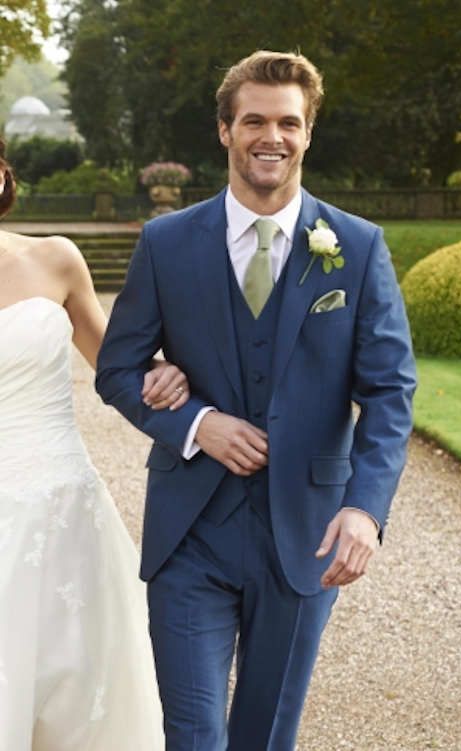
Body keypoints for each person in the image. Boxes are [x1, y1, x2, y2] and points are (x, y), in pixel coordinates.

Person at [96, 50, 417, 751]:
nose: (271, 136)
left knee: (265, 736)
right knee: (195, 733)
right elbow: (116, 367)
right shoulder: (167, 242)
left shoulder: (356, 249)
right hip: (191, 537)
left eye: (288, 122)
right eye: (254, 121)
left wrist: (365, 508)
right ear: (224, 131)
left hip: (305, 535)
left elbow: (391, 390)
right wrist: (194, 422)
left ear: (307, 133)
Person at [0, 138, 190, 751]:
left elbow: (116, 366)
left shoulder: (55, 259)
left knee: (80, 690)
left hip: (63, 510)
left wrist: (173, 383)